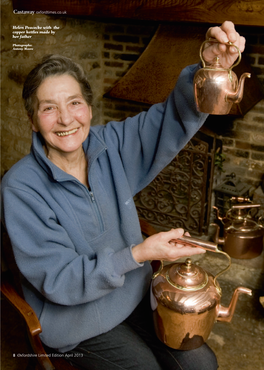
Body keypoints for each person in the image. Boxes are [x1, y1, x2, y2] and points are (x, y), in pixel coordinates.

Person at [2, 21, 245, 370]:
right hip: (76, 320)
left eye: (74, 103)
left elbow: (168, 118)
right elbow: (60, 280)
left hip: (133, 294)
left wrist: (210, 69)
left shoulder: (109, 144)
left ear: (88, 107)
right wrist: (139, 253)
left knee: (201, 363)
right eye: (48, 108)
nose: (65, 119)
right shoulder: (20, 189)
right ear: (32, 119)